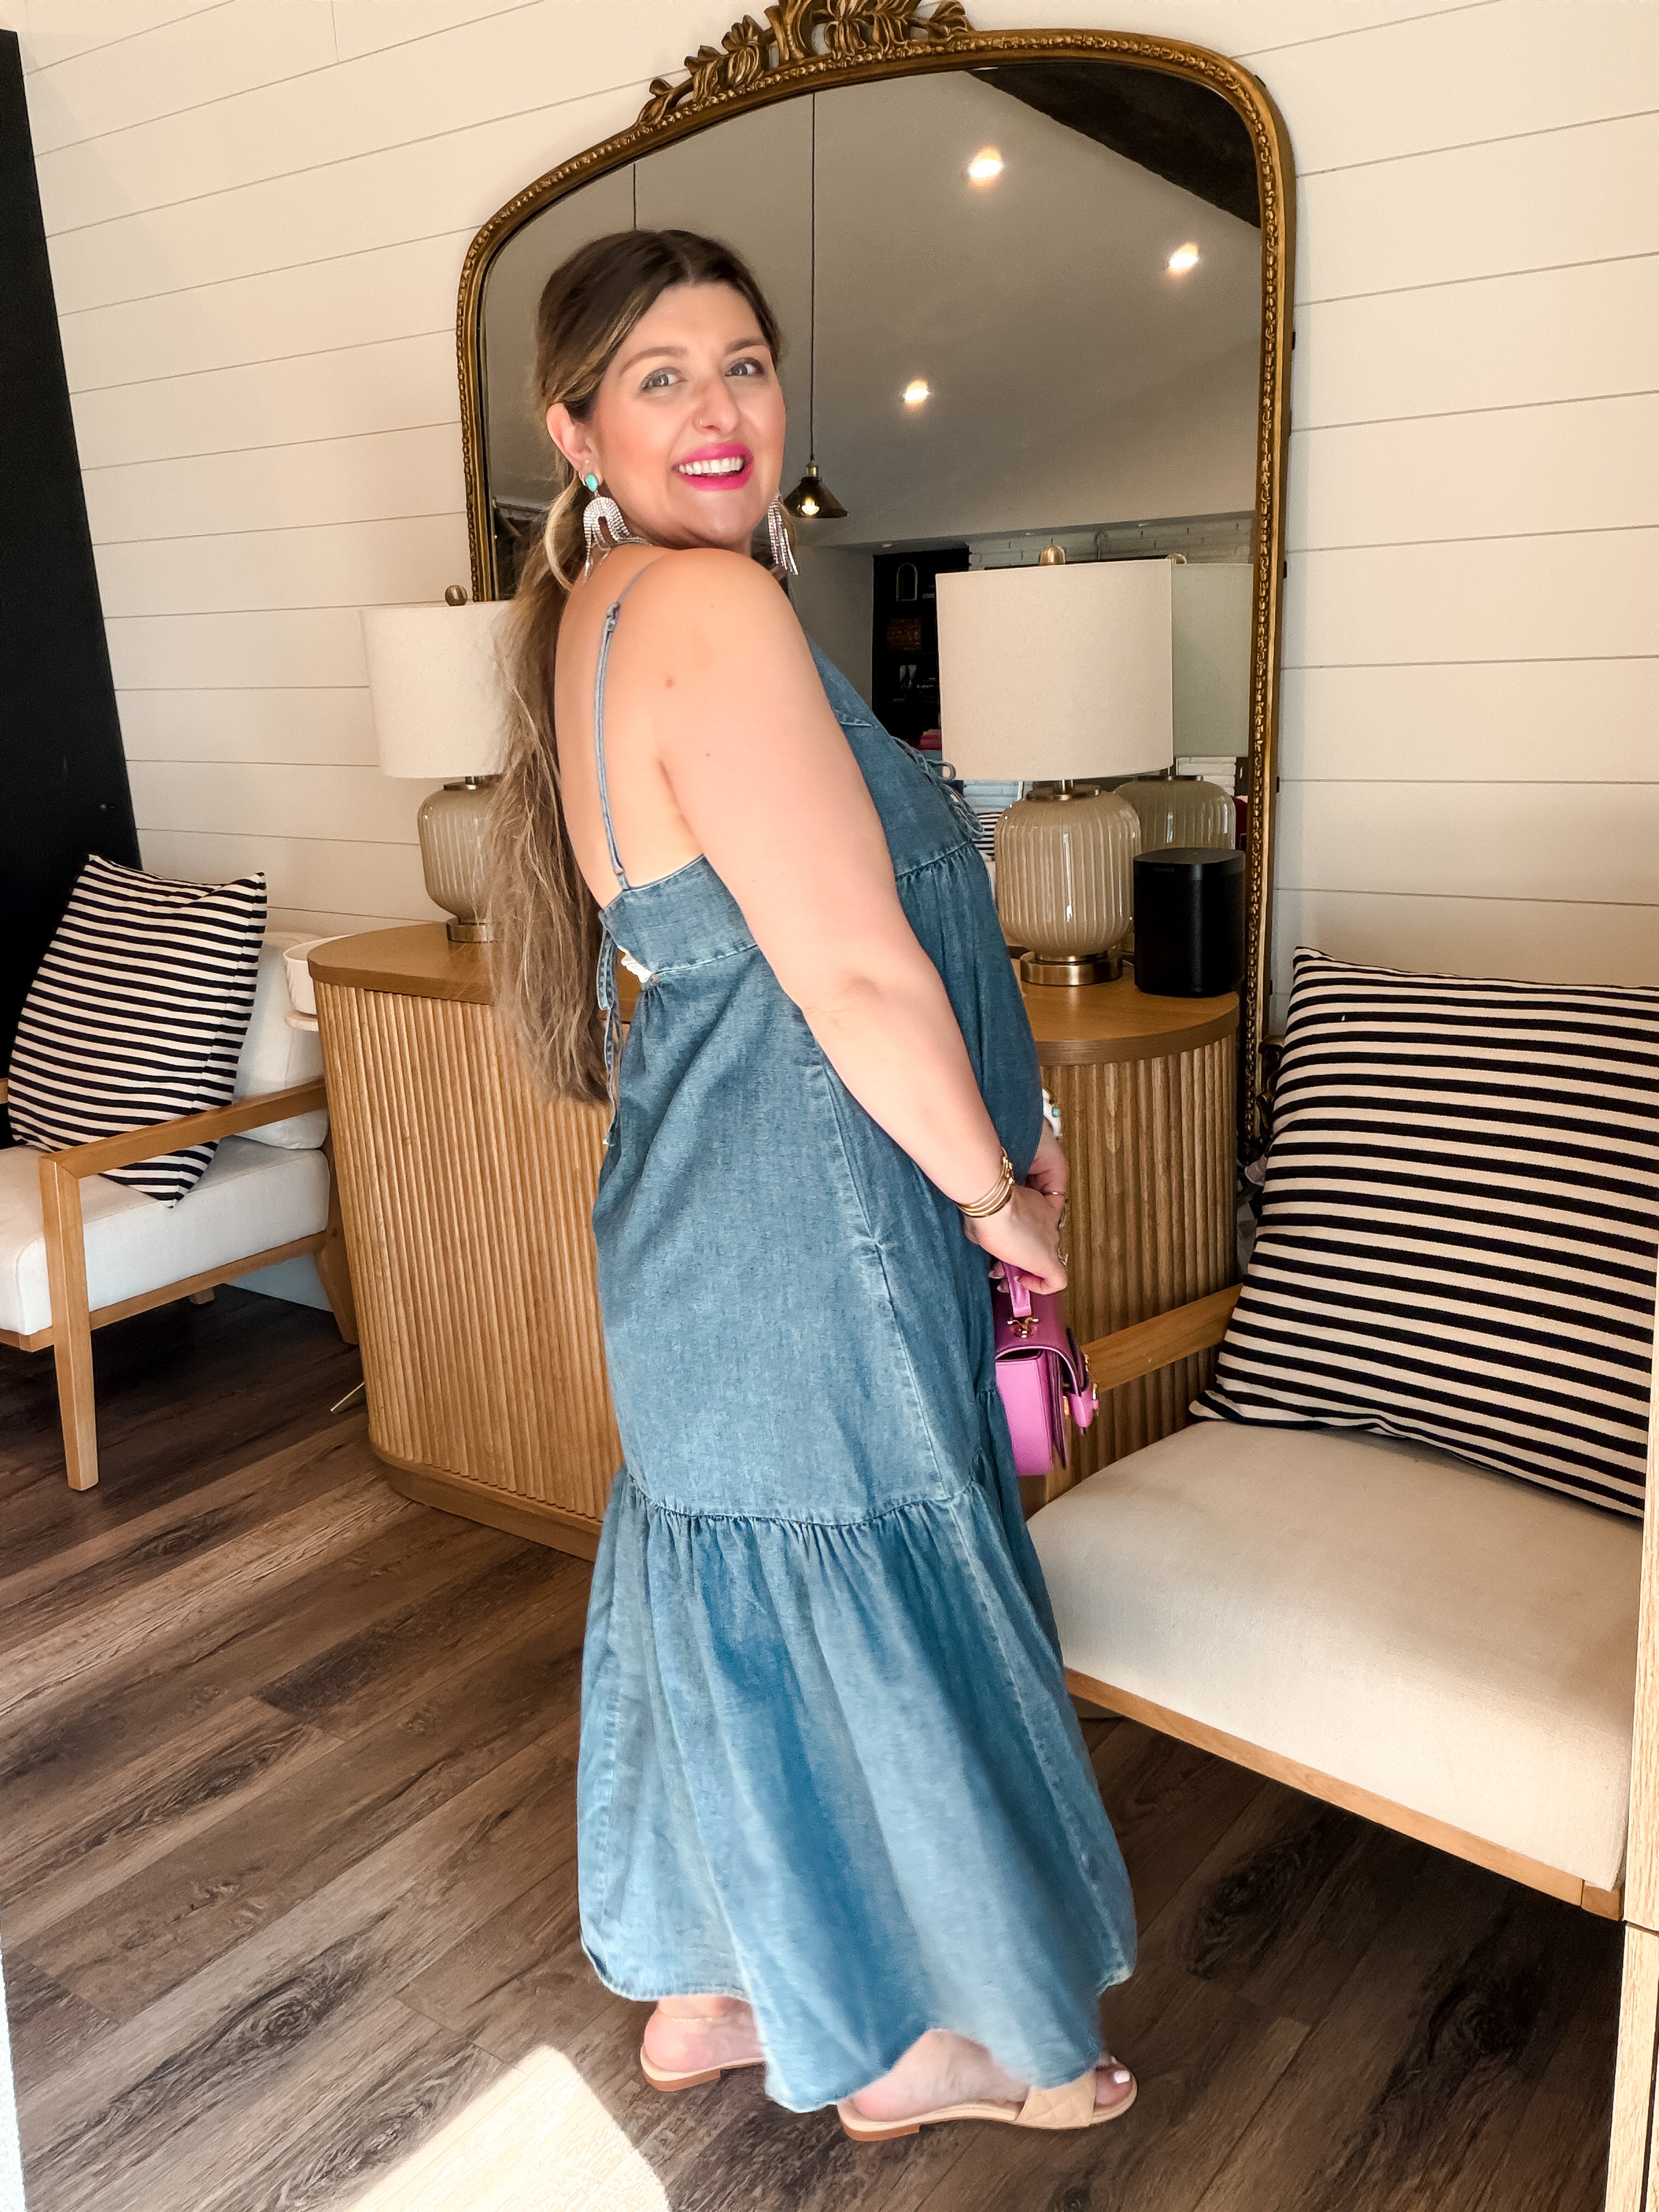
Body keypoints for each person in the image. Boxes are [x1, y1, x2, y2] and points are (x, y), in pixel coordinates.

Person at [488, 227, 1137, 2138]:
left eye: (746, 363)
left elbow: (833, 948)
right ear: (576, 429)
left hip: (724, 1213)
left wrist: (1001, 1105)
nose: (718, 407)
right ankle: (903, 2046)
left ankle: (715, 1990)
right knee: (852, 1595)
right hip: (810, 1220)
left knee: (742, 1588)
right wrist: (999, 1199)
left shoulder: (611, 607)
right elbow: (850, 975)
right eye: (662, 374)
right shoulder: (712, 607)